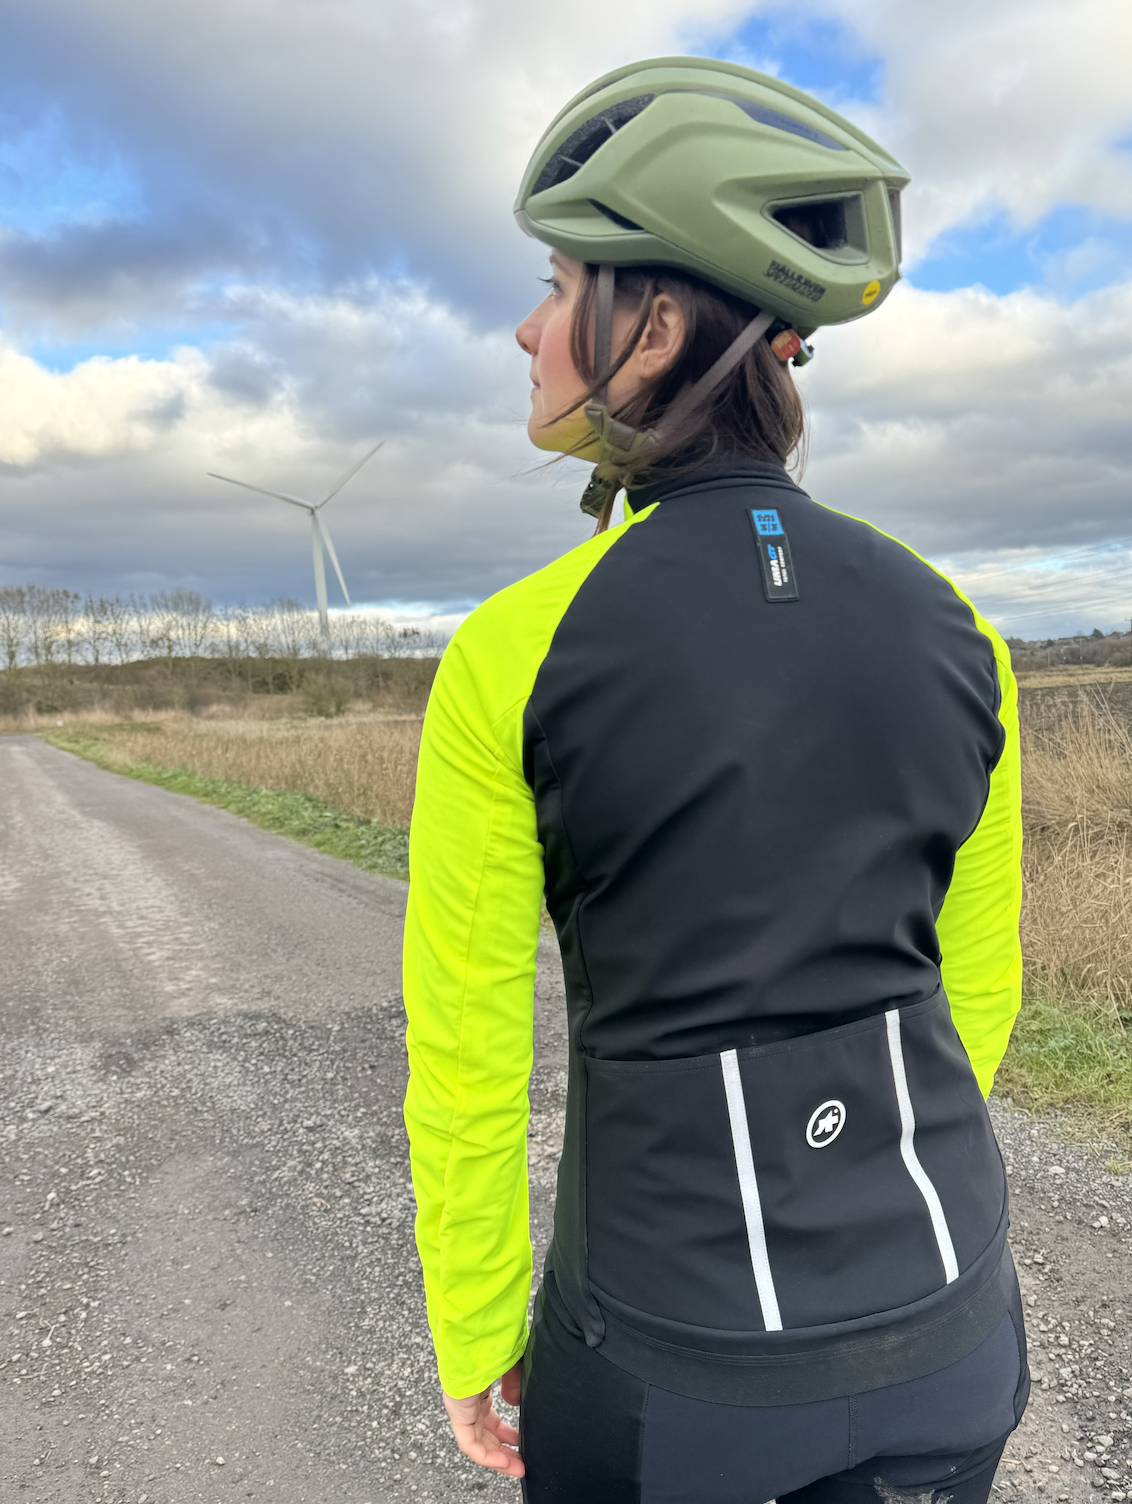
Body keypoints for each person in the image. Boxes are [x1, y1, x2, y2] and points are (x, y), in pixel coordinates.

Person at [403, 56, 1027, 1504]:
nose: (527, 327)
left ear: (658, 327)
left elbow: (472, 1055)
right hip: (953, 1338)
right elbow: (974, 990)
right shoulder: (962, 626)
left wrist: (480, 1326)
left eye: (561, 285)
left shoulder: (515, 652)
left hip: (670, 1386)